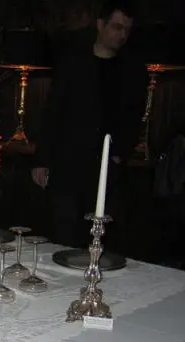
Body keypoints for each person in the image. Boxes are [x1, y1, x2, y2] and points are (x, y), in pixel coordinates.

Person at [32, 1, 148, 250]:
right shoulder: (73, 63)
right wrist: (42, 160)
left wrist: (119, 154)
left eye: (127, 29)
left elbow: (134, 117)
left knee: (100, 239)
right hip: (68, 164)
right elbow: (53, 112)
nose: (122, 34)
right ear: (100, 25)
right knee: (62, 237)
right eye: (117, 27)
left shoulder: (133, 70)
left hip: (106, 170)